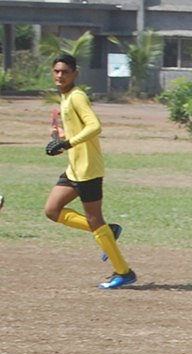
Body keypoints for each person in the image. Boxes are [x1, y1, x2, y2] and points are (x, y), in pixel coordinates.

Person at [42, 53, 135, 289]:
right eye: (56, 71)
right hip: (74, 168)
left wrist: (67, 143)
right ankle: (108, 231)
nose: (60, 75)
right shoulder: (65, 97)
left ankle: (123, 272)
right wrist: (60, 139)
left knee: (95, 219)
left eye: (65, 72)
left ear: (75, 73)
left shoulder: (77, 96)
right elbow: (77, 130)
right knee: (52, 210)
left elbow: (95, 126)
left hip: (88, 169)